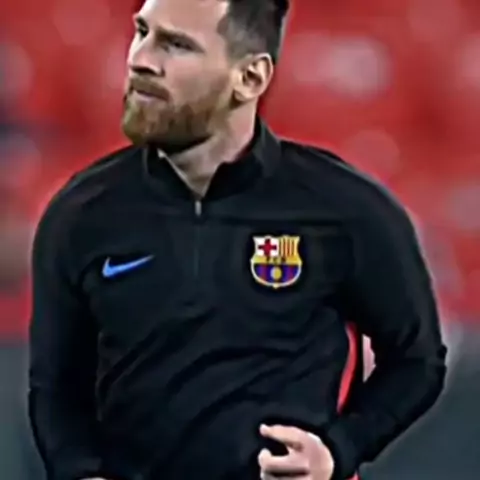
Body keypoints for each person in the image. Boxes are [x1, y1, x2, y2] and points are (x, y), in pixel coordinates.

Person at [28, 0, 447, 479]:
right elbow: (55, 387)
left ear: (250, 78)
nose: (140, 59)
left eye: (176, 45)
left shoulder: (344, 209)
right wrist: (80, 472)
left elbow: (417, 360)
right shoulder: (81, 214)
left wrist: (339, 449)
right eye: (142, 32)